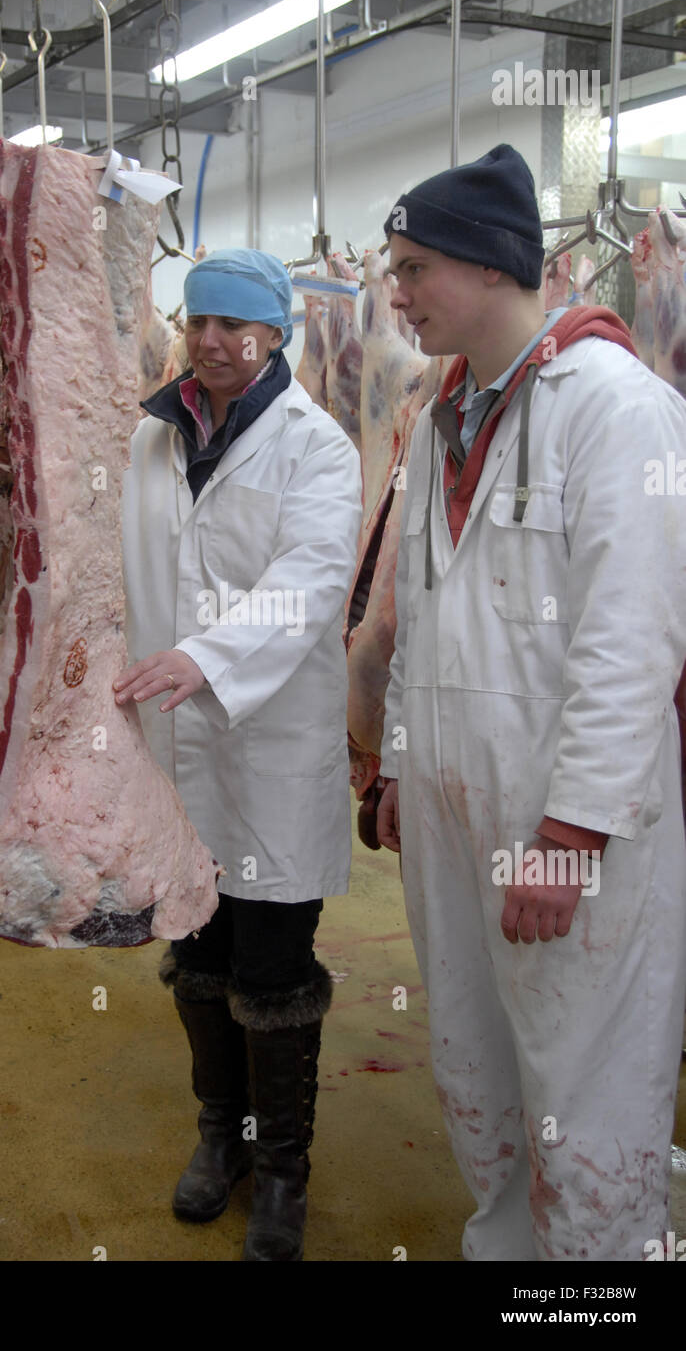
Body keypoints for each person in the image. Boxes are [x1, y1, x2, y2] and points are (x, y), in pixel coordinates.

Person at [375, 144, 686, 1261]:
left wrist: (571, 832)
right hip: (458, 815)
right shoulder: (440, 416)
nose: (396, 294)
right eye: (393, 268)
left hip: (567, 828)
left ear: (496, 264)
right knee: (473, 1057)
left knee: (585, 1080)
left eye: (415, 269)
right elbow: (416, 617)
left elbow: (635, 635)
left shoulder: (615, 407)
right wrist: (402, 761)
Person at [115, 248, 363, 1261]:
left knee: (272, 962)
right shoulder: (148, 436)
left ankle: (282, 1170)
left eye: (235, 326)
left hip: (270, 750)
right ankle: (220, 1137)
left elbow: (308, 585)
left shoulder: (319, 448)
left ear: (273, 335)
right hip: (175, 747)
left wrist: (202, 656)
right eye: (198, 323)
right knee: (198, 953)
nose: (211, 342)